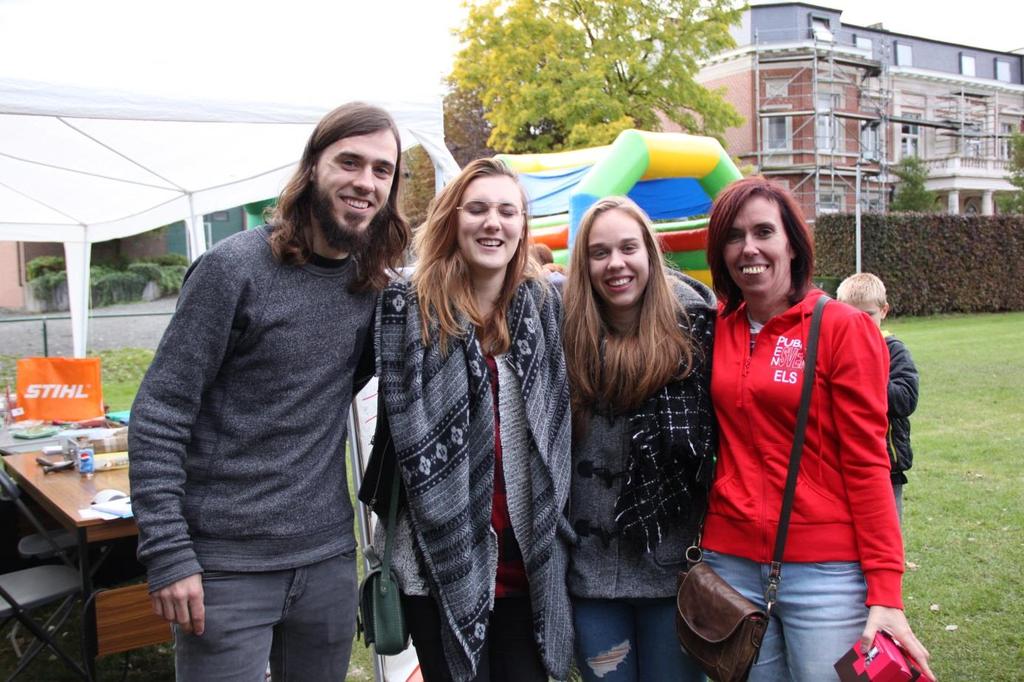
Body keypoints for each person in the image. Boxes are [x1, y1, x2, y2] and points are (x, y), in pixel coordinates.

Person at [129, 102, 409, 681]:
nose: (365, 182)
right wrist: (167, 552)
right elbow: (159, 413)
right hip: (225, 567)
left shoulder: (371, 286)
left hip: (327, 562)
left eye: (382, 170)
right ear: (312, 169)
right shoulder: (232, 269)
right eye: (350, 162)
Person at [702, 177, 935, 681]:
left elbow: (869, 461)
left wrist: (886, 591)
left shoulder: (843, 327)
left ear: (791, 241)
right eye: (734, 236)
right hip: (731, 566)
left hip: (826, 572)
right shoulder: (715, 327)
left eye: (764, 231)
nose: (749, 248)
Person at [374, 158, 573, 682]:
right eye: (478, 208)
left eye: (508, 211)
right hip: (437, 563)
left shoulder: (543, 304)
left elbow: (634, 293)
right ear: (452, 218)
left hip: (526, 563)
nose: (494, 223)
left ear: (522, 226)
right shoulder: (406, 307)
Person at [561, 197, 714, 682]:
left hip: (674, 573)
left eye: (628, 247)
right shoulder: (562, 332)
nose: (616, 264)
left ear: (649, 251)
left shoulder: (694, 329)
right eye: (600, 252)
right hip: (590, 576)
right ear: (583, 263)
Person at [837, 272, 920, 522]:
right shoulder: (835, 348)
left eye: (868, 315)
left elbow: (906, 398)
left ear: (883, 311)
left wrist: (865, 381)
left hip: (886, 466)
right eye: (852, 315)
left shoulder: (894, 350)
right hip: (842, 462)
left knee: (887, 531)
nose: (860, 322)